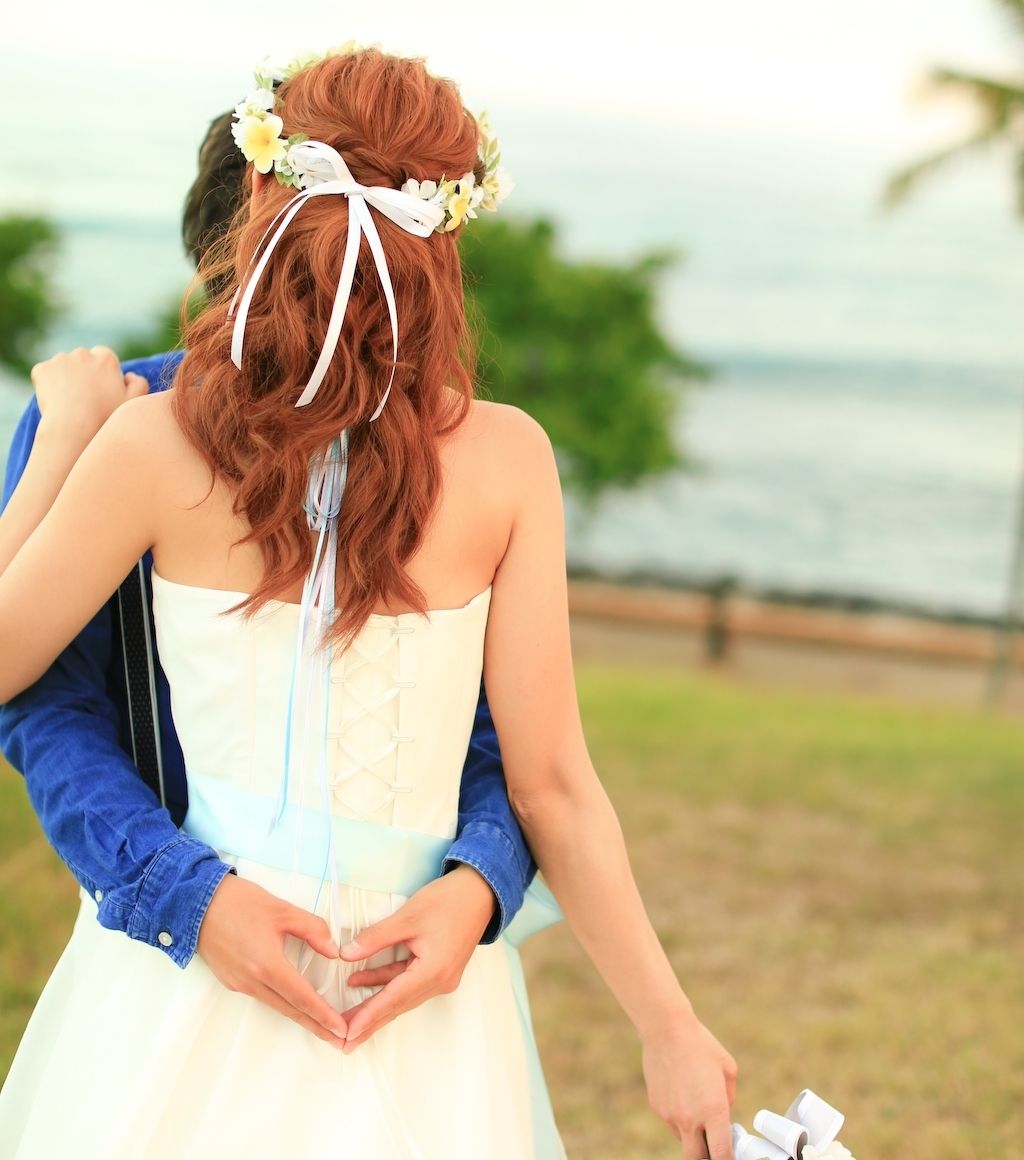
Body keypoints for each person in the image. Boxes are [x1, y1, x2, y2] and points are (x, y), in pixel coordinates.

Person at [0, 45, 737, 1159]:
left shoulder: (147, 443)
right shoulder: (509, 459)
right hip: (416, 991)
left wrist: (61, 442)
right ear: (445, 243)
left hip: (190, 982)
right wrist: (668, 1025)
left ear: (258, 203)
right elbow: (550, 786)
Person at [0, 108, 540, 1053]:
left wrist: (481, 879)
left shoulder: (471, 452)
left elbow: (512, 734)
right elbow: (45, 699)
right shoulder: (128, 423)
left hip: (410, 963)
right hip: (178, 954)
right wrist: (183, 892)